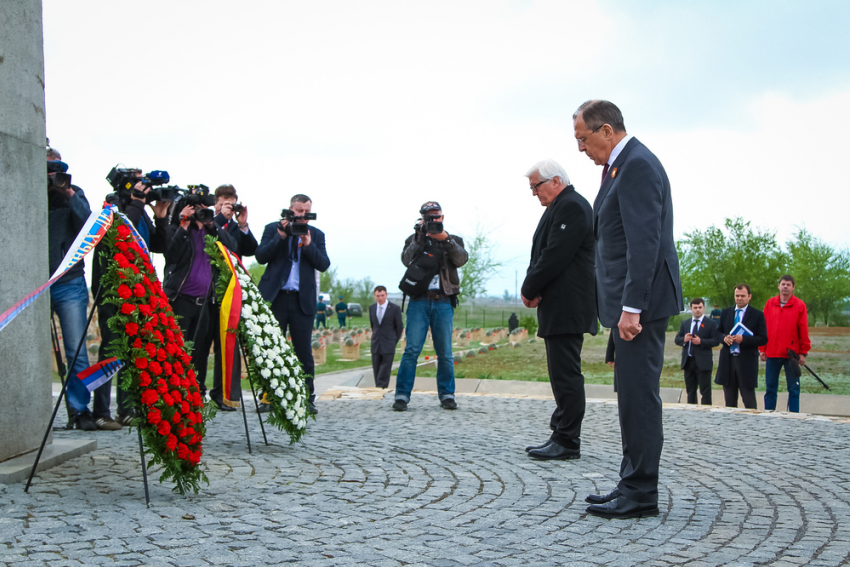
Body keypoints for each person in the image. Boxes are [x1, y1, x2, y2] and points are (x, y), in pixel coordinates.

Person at [573, 100, 683, 519]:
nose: (581, 148)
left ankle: (641, 493)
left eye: (583, 138)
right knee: (630, 397)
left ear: (606, 130)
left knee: (639, 397)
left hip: (642, 306)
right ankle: (631, 482)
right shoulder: (621, 166)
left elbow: (644, 244)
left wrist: (632, 308)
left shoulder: (636, 165)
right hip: (631, 305)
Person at [520, 159, 597, 461]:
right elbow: (541, 252)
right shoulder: (557, 207)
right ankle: (561, 433)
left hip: (568, 304)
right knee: (559, 373)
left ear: (555, 181)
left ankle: (567, 439)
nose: (534, 193)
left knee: (566, 374)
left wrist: (529, 288)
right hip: (557, 303)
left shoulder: (573, 206)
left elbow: (554, 256)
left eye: (535, 186)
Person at [93, 167, 172, 428]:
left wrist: (160, 218)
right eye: (140, 183)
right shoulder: (113, 205)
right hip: (114, 292)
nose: (145, 188)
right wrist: (138, 203)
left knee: (132, 351)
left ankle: (126, 410)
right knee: (111, 350)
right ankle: (101, 412)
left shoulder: (141, 212)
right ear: (127, 185)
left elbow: (159, 246)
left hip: (139, 292)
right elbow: (119, 232)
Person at [256, 194, 330, 414]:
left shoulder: (316, 235)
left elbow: (324, 264)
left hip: (302, 300)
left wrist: (307, 245)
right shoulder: (273, 229)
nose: (302, 216)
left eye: (306, 212)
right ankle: (268, 396)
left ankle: (307, 397)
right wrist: (280, 236)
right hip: (276, 297)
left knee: (304, 351)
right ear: (289, 210)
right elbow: (261, 256)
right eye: (298, 211)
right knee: (271, 348)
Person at [393, 201, 468, 411]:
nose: (433, 220)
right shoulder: (415, 238)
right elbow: (406, 260)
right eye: (429, 218)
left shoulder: (454, 239)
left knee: (445, 352)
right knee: (412, 350)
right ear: (423, 219)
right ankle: (402, 395)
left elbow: (461, 260)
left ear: (442, 217)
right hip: (419, 300)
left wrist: (447, 240)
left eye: (436, 216)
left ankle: (447, 394)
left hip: (444, 299)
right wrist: (420, 237)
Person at [162, 191, 238, 400]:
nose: (200, 214)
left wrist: (212, 225)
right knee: (178, 350)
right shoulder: (176, 229)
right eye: (197, 209)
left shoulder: (209, 232)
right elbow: (172, 255)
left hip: (204, 302)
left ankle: (195, 393)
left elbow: (232, 246)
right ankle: (174, 393)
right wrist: (184, 225)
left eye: (204, 209)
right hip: (181, 299)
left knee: (199, 352)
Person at [46, 149, 100, 430]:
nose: (51, 176)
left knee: (76, 351)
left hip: (69, 282)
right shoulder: (29, 190)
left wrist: (68, 193)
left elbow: (89, 227)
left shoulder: (73, 193)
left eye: (55, 171)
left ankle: (80, 410)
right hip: (35, 285)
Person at [203, 184, 258, 412]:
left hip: (228, 292)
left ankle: (223, 394)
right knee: (201, 345)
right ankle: (196, 391)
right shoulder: (206, 221)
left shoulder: (235, 226)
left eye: (231, 201)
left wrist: (243, 223)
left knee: (227, 346)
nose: (227, 205)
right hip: (206, 290)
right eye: (223, 201)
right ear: (215, 202)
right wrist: (219, 218)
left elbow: (251, 249)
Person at [760, 275, 811, 413]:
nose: (785, 287)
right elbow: (763, 327)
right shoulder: (770, 303)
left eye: (788, 284)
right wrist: (762, 348)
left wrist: (803, 353)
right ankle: (769, 414)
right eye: (783, 284)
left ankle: (794, 416)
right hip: (772, 352)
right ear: (779, 286)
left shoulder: (800, 305)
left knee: (794, 388)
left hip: (791, 355)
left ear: (793, 287)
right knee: (770, 388)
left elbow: (803, 330)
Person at [714, 284, 768, 409]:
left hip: (747, 361)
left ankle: (750, 425)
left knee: (748, 400)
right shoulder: (726, 312)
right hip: (728, 360)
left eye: (742, 296)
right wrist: (724, 338)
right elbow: (717, 332)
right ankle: (731, 426)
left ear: (749, 297)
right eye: (737, 296)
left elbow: (763, 338)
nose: (739, 298)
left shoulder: (757, 315)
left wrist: (743, 339)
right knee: (729, 400)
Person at [674, 298, 721, 405]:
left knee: (705, 391)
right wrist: (684, 339)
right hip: (688, 361)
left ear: (703, 308)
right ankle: (691, 412)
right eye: (695, 308)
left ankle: (706, 413)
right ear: (691, 309)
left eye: (700, 307)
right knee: (690, 391)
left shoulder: (711, 323)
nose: (698, 310)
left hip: (703, 362)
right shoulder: (685, 323)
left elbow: (715, 341)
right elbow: (677, 339)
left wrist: (701, 341)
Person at [369, 286, 403, 388]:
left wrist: (393, 341)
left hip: (388, 343)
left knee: (385, 368)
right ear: (375, 296)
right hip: (376, 343)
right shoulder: (372, 308)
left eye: (382, 295)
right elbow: (373, 325)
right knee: (376, 368)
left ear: (386, 295)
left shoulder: (394, 309)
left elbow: (399, 327)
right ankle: (378, 388)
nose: (380, 298)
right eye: (378, 296)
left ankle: (381, 388)